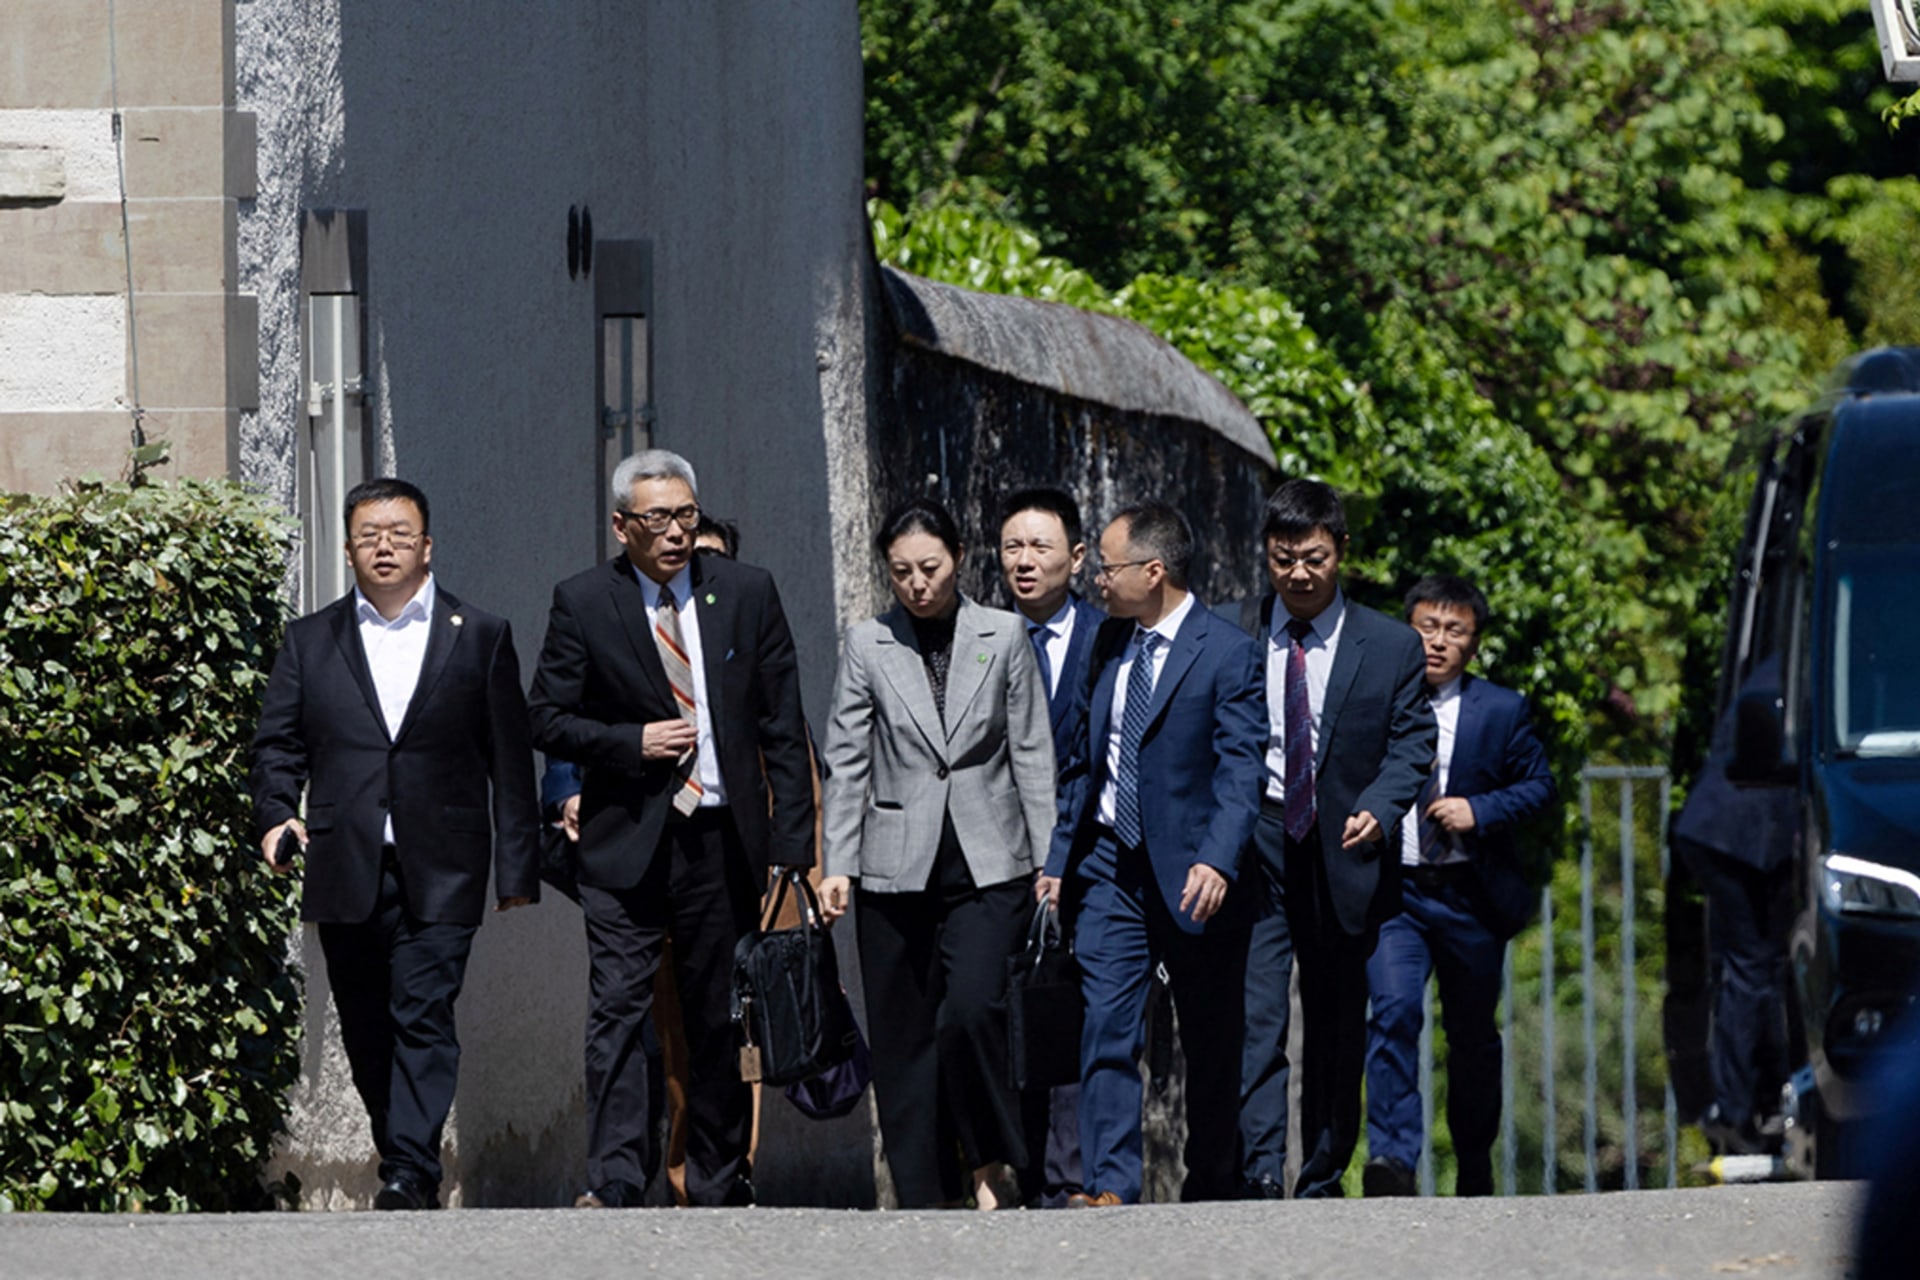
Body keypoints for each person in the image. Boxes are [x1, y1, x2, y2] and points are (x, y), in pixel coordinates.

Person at [527, 451, 814, 1209]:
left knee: (717, 1011)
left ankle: (718, 1177)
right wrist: (630, 743)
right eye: (658, 519)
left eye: (687, 515)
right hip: (626, 838)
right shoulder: (584, 602)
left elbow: (783, 721)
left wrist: (795, 847)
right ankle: (618, 1176)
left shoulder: (745, 593)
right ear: (622, 527)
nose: (677, 532)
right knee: (617, 1008)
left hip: (721, 838)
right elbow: (546, 717)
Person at [250, 477, 540, 1211]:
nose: (384, 546)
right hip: (346, 859)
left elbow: (509, 758)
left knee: (424, 1009)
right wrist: (276, 814)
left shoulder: (479, 634)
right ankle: (400, 1142)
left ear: (427, 546)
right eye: (369, 535)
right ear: (348, 550)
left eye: (400, 534)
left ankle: (409, 1170)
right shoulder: (310, 640)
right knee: (368, 1023)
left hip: (444, 861)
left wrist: (517, 867)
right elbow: (278, 743)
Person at [818, 496, 1056, 1210]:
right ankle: (921, 1194)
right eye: (901, 572)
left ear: (958, 559)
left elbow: (1032, 753)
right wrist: (837, 864)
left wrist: (1052, 863)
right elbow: (847, 757)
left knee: (974, 1011)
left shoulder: (1004, 635)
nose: (917, 584)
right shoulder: (870, 643)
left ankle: (988, 1160)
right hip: (895, 865)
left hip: (992, 864)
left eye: (930, 567)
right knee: (903, 1036)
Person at [1039, 501, 1266, 1206]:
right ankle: (1109, 1188)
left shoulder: (1227, 652)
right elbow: (1083, 762)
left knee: (1210, 1039)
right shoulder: (1107, 644)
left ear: (1154, 570)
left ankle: (1212, 1186)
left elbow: (1241, 770)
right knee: (1106, 1021)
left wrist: (1218, 859)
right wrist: (1057, 861)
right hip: (1110, 864)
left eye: (1107, 567)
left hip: (1196, 873)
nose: (1097, 579)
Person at [1233, 478, 1435, 1200]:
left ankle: (1320, 1171)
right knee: (1257, 1015)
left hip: (1344, 854)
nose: (1297, 573)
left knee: (1334, 1021)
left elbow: (1414, 743)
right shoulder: (1235, 633)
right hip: (1257, 846)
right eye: (1283, 558)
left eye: (1313, 557)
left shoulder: (1390, 646)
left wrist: (1381, 807)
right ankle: (1258, 1168)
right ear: (1267, 555)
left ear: (1340, 552)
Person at [1361, 574, 1556, 1196]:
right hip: (1398, 896)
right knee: (1391, 1013)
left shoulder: (1502, 710)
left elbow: (1540, 786)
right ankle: (1392, 1159)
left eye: (1455, 630)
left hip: (1469, 896)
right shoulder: (1376, 702)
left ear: (1473, 642)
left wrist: (1482, 810)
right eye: (1427, 627)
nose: (1438, 642)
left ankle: (1474, 1161)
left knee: (1472, 1037)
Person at [998, 486, 1104, 1207]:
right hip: (996, 857)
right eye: (1012, 547)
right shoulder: (981, 637)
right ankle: (1012, 1167)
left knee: (1072, 1012)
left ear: (1077, 555)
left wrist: (1062, 857)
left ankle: (1067, 1177)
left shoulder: (1110, 639)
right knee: (1001, 1009)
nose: (1025, 561)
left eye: (1040, 547)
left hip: (1090, 859)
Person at [1671, 654, 1795, 1155]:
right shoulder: (1812, 663)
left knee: (1752, 967)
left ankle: (1746, 1103)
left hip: (1727, 830)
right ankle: (1741, 1108)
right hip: (1737, 834)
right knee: (1754, 968)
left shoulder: (1792, 656)